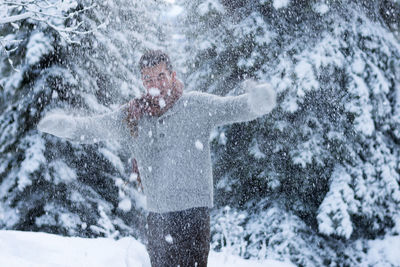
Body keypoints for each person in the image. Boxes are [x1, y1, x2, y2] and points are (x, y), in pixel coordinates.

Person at [38, 50, 276, 267]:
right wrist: (67, 126)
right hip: (158, 217)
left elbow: (232, 108)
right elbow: (96, 127)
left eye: (160, 76)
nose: (155, 85)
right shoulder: (134, 115)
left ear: (172, 75)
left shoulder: (195, 105)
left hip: (194, 213)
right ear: (142, 81)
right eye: (149, 79)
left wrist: (256, 103)